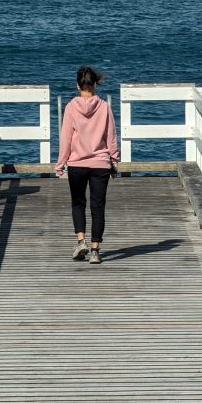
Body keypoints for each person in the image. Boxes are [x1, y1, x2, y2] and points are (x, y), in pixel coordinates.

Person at [55, 66, 119, 264]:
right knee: (98, 207)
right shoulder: (104, 107)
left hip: (77, 164)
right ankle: (95, 251)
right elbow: (111, 137)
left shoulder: (71, 107)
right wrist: (114, 161)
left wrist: (61, 164)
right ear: (95, 84)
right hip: (100, 163)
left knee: (78, 203)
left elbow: (65, 139)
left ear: (77, 85)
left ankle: (81, 240)